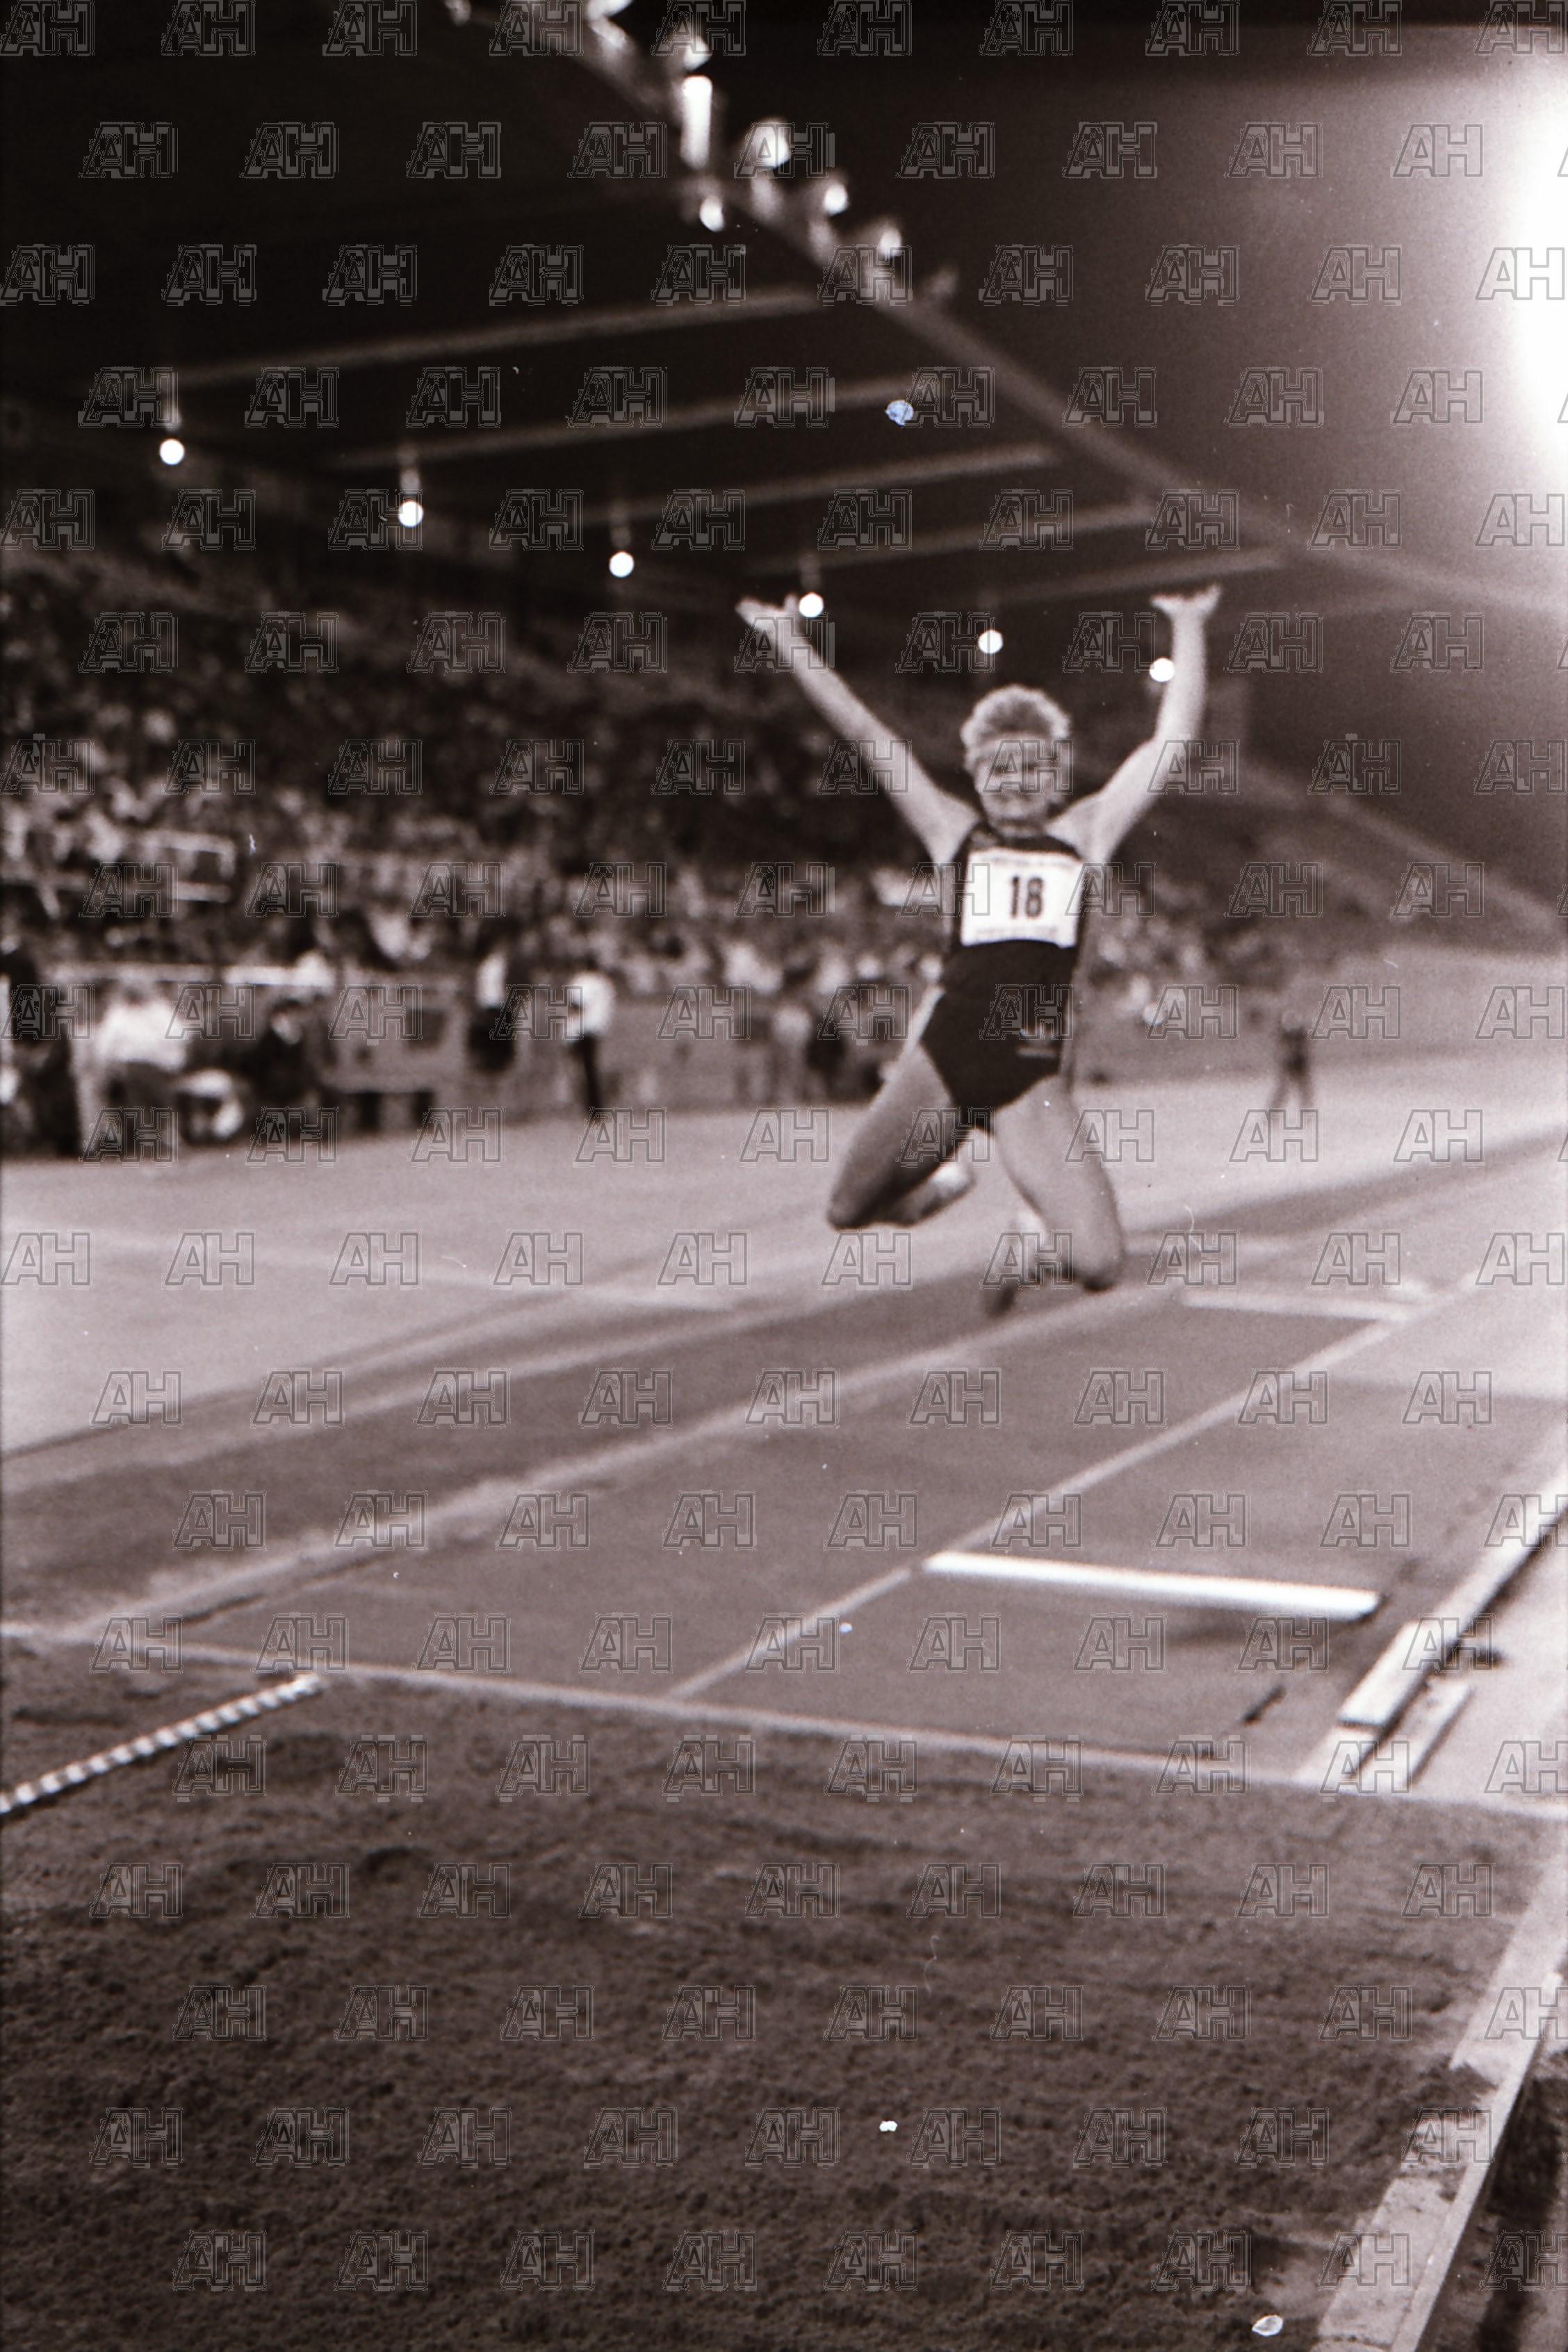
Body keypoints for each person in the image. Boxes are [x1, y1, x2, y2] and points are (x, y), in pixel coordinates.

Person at [735, 585, 1223, 1309]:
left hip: (1028, 1074)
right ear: (976, 776)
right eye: (999, 769)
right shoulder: (952, 832)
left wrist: (1186, 626)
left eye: (1032, 769)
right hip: (946, 1058)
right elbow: (867, 734)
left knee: (1099, 1262)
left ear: (1056, 776)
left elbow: (1172, 743)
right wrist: (788, 641)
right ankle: (935, 1188)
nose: (1016, 784)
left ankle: (1028, 1247)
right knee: (847, 1208)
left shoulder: (1086, 834)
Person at [562, 949, 614, 1115]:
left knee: (579, 1069)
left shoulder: (582, 980)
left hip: (580, 1029)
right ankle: (595, 1106)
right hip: (597, 1028)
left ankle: (586, 1106)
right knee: (591, 1068)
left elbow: (578, 1004)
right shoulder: (606, 983)